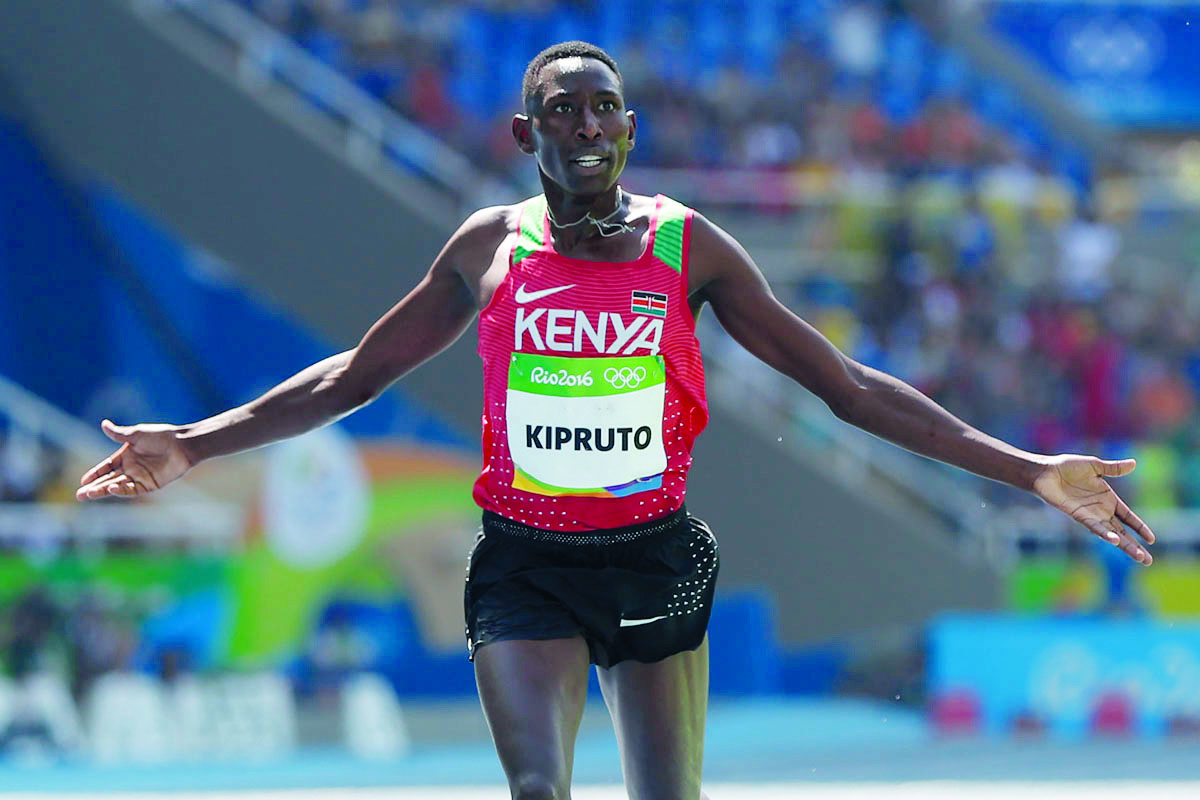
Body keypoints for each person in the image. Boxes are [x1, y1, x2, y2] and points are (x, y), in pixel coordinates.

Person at [77, 41, 1155, 800]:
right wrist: (195, 442)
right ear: (523, 131)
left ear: (630, 129)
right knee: (537, 786)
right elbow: (357, 374)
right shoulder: (488, 248)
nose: (586, 126)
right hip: (525, 566)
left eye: (604, 109)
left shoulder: (690, 247)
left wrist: (1025, 469)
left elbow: (848, 386)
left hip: (652, 560)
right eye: (562, 109)